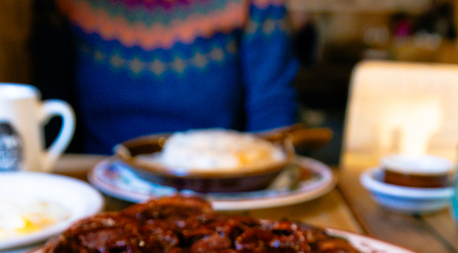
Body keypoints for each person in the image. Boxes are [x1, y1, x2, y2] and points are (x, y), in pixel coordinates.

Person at [30, 0, 301, 154]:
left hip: (216, 182)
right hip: (100, 179)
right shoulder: (62, 5)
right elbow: (50, 110)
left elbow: (271, 106)